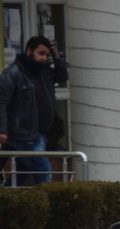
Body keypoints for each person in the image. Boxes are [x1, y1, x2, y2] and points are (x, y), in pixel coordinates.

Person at [0, 36, 68, 186]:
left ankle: (7, 202)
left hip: (40, 132)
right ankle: (50, 206)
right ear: (29, 51)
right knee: (43, 171)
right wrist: (2, 130)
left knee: (22, 176)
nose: (44, 58)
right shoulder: (13, 73)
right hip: (23, 134)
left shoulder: (45, 72)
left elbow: (63, 76)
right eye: (40, 53)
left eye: (46, 54)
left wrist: (56, 55)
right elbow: (2, 101)